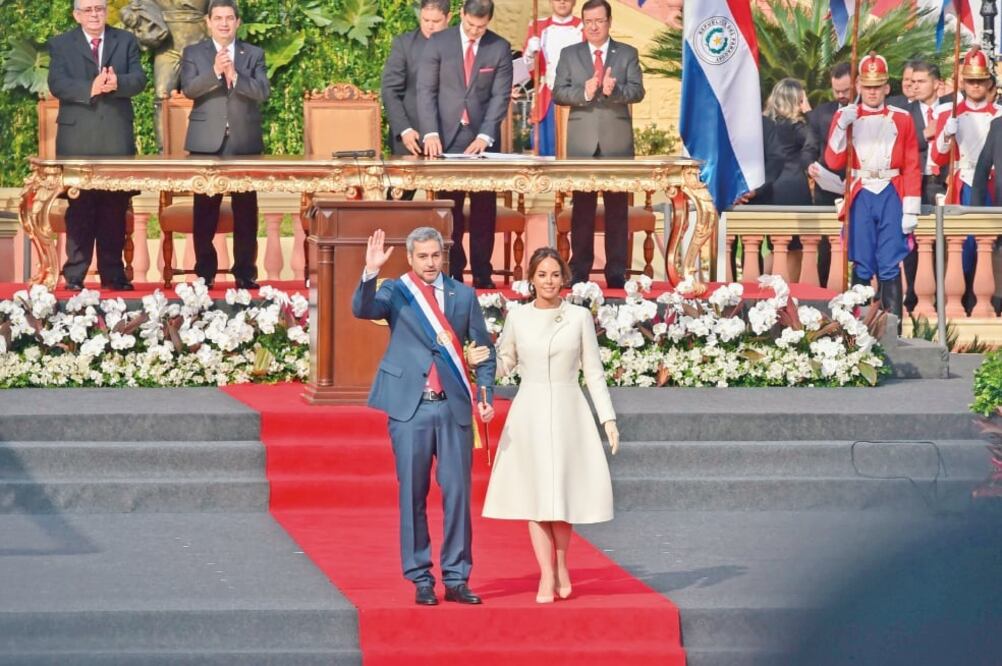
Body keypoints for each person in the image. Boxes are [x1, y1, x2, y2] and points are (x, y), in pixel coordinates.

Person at [353, 227, 497, 606]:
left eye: (435, 256)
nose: (430, 263)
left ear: (442, 256)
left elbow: (483, 349)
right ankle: (420, 577)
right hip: (410, 407)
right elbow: (362, 309)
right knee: (412, 495)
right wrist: (369, 272)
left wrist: (485, 395)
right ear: (411, 257)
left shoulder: (463, 296)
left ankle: (456, 577)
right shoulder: (396, 292)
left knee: (458, 494)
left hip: (453, 408)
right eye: (423, 257)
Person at [482, 246, 618, 603]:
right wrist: (480, 363)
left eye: (555, 275)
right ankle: (546, 575)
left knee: (562, 494)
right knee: (536, 495)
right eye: (542, 274)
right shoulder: (519, 316)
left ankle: (561, 564)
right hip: (530, 410)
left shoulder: (578, 317)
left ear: (564, 279)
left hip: (569, 408)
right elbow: (506, 361)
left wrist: (607, 418)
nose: (549, 281)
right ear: (531, 279)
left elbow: (593, 371)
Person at [48, 0, 147, 291]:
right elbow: (57, 83)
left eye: (100, 9)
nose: (95, 14)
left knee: (113, 209)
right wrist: (90, 88)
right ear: (77, 14)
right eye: (88, 10)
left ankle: (114, 274)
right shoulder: (61, 44)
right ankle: (74, 276)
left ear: (106, 12)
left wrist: (118, 83)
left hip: (115, 137)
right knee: (79, 210)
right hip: (77, 138)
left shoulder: (125, 40)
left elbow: (139, 80)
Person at [417, 0, 513, 288]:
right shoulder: (438, 42)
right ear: (461, 15)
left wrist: (485, 135)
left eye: (481, 27)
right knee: (451, 210)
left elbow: (500, 97)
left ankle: (483, 273)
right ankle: (453, 273)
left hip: (482, 141)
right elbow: (425, 90)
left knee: (484, 210)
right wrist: (430, 132)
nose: (474, 32)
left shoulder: (499, 47)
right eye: (470, 25)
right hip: (446, 139)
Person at [552, 0, 645, 288]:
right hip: (582, 143)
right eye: (588, 21)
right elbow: (558, 93)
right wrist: (585, 91)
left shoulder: (627, 53)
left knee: (618, 211)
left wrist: (613, 90)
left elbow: (638, 91)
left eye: (599, 21)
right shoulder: (570, 54)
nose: (593, 26)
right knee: (582, 211)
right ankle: (579, 269)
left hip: (616, 144)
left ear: (609, 21)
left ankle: (616, 271)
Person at [824, 52, 922, 325]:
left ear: (887, 88)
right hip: (861, 192)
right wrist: (841, 126)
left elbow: (912, 164)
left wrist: (910, 208)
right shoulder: (845, 117)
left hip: (891, 190)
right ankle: (857, 328)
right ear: (858, 87)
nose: (872, 92)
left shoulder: (902, 118)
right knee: (862, 261)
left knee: (890, 262)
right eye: (867, 86)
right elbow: (833, 160)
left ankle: (894, 328)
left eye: (877, 86)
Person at [180, 0, 269, 289]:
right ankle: (205, 272)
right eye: (217, 18)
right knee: (204, 213)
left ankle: (245, 273)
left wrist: (236, 78)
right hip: (206, 144)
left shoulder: (253, 54)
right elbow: (189, 89)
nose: (223, 23)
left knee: (246, 213)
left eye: (229, 18)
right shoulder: (194, 53)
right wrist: (216, 72)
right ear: (208, 22)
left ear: (238, 22)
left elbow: (262, 91)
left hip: (244, 144)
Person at [929, 47, 1001, 312]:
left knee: (990, 245)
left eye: (980, 80)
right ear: (963, 82)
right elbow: (936, 159)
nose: (975, 85)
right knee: (961, 248)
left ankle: (987, 303)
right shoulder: (950, 113)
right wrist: (946, 136)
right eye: (970, 80)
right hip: (962, 182)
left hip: (993, 183)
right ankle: (959, 303)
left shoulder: (998, 114)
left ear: (988, 83)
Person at [121, 0, 209, 151]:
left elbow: (223, 7)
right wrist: (132, 17)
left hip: (200, 42)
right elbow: (134, 7)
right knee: (161, 97)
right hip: (167, 48)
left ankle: (206, 147)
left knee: (206, 95)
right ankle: (164, 150)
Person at [381, 0, 452, 182]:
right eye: (425, 20)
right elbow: (390, 90)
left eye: (435, 22)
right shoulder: (404, 44)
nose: (429, 26)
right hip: (411, 134)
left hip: (449, 134)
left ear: (448, 18)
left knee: (448, 199)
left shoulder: (457, 45)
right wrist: (404, 129)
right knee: (400, 199)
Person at [903, 61, 946, 312]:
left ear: (937, 84)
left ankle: (944, 297)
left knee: (945, 241)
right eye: (912, 81)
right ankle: (912, 298)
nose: (914, 86)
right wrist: (925, 133)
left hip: (942, 183)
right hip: (916, 185)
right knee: (914, 242)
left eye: (921, 81)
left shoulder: (951, 110)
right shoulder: (904, 112)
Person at [521, 0, 582, 156]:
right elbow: (528, 72)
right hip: (547, 99)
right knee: (545, 153)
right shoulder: (538, 27)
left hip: (577, 99)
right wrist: (529, 53)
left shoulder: (584, 27)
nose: (562, 1)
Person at [742, 78, 815, 206]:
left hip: (764, 187)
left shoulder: (761, 124)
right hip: (793, 187)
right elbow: (816, 140)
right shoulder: (796, 127)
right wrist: (809, 112)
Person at [807, 62, 851, 207]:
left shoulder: (870, 112)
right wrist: (809, 166)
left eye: (845, 91)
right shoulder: (820, 114)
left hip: (861, 191)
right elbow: (809, 148)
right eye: (836, 91)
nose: (840, 95)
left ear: (857, 84)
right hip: (827, 194)